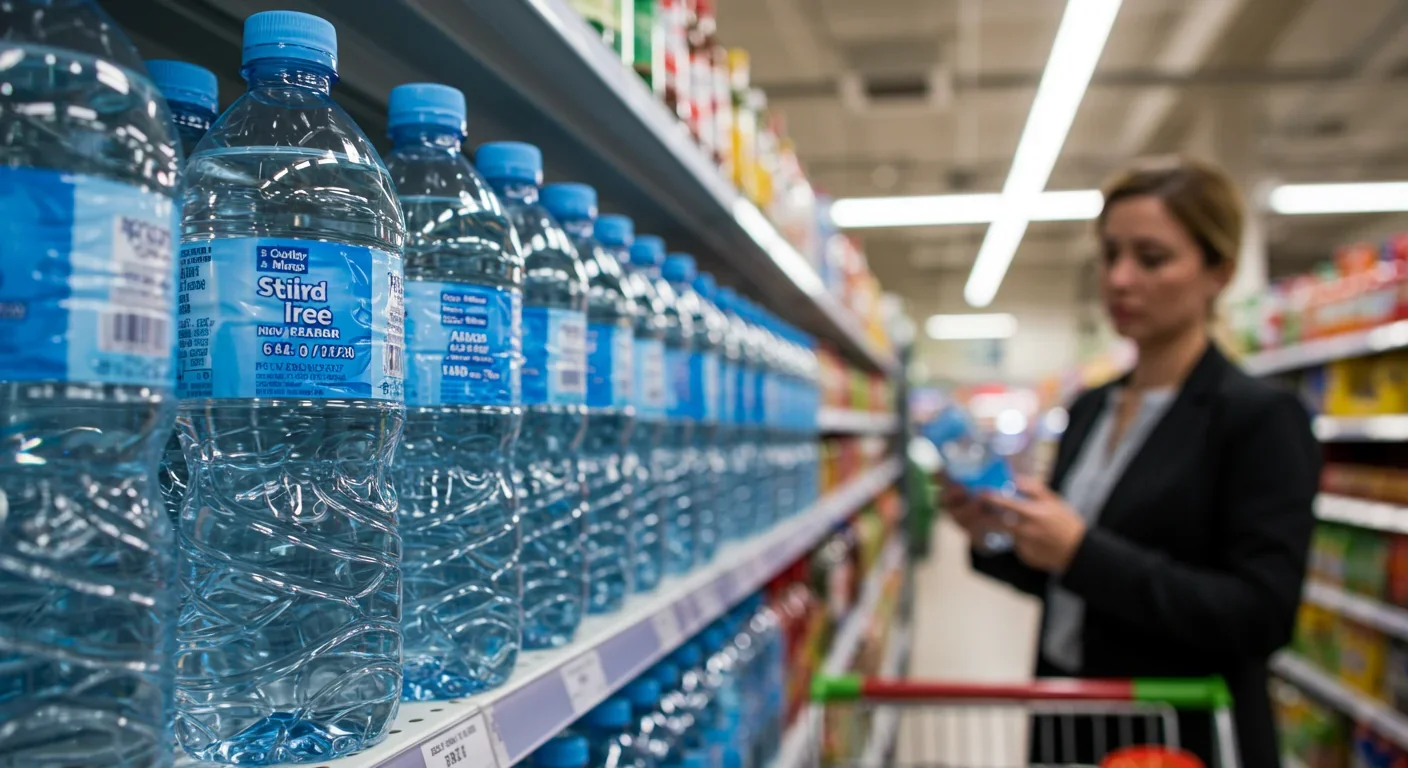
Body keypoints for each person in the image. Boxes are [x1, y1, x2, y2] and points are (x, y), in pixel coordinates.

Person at [943, 156, 1319, 768]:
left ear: (1217, 272)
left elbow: (1261, 615)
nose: (1119, 278)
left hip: (1179, 737)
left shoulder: (1258, 419)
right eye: (1110, 255)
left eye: (1151, 258)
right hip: (1072, 718)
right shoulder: (1090, 409)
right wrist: (995, 531)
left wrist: (1080, 551)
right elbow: (1067, 581)